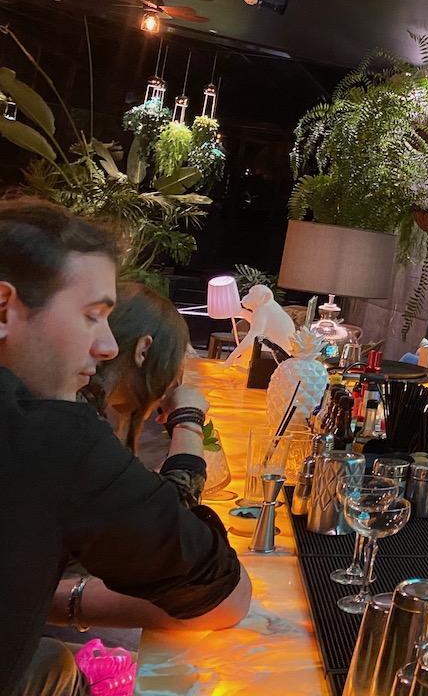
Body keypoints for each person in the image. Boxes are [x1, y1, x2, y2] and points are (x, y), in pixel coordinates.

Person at [0, 198, 251, 696]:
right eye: (92, 316)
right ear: (3, 309)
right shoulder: (54, 436)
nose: (107, 345)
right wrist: (187, 420)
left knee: (51, 662)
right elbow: (226, 595)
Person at [83, 281, 209, 507]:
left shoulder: (81, 403)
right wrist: (188, 418)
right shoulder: (82, 425)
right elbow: (170, 513)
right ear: (143, 350)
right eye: (173, 366)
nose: (173, 384)